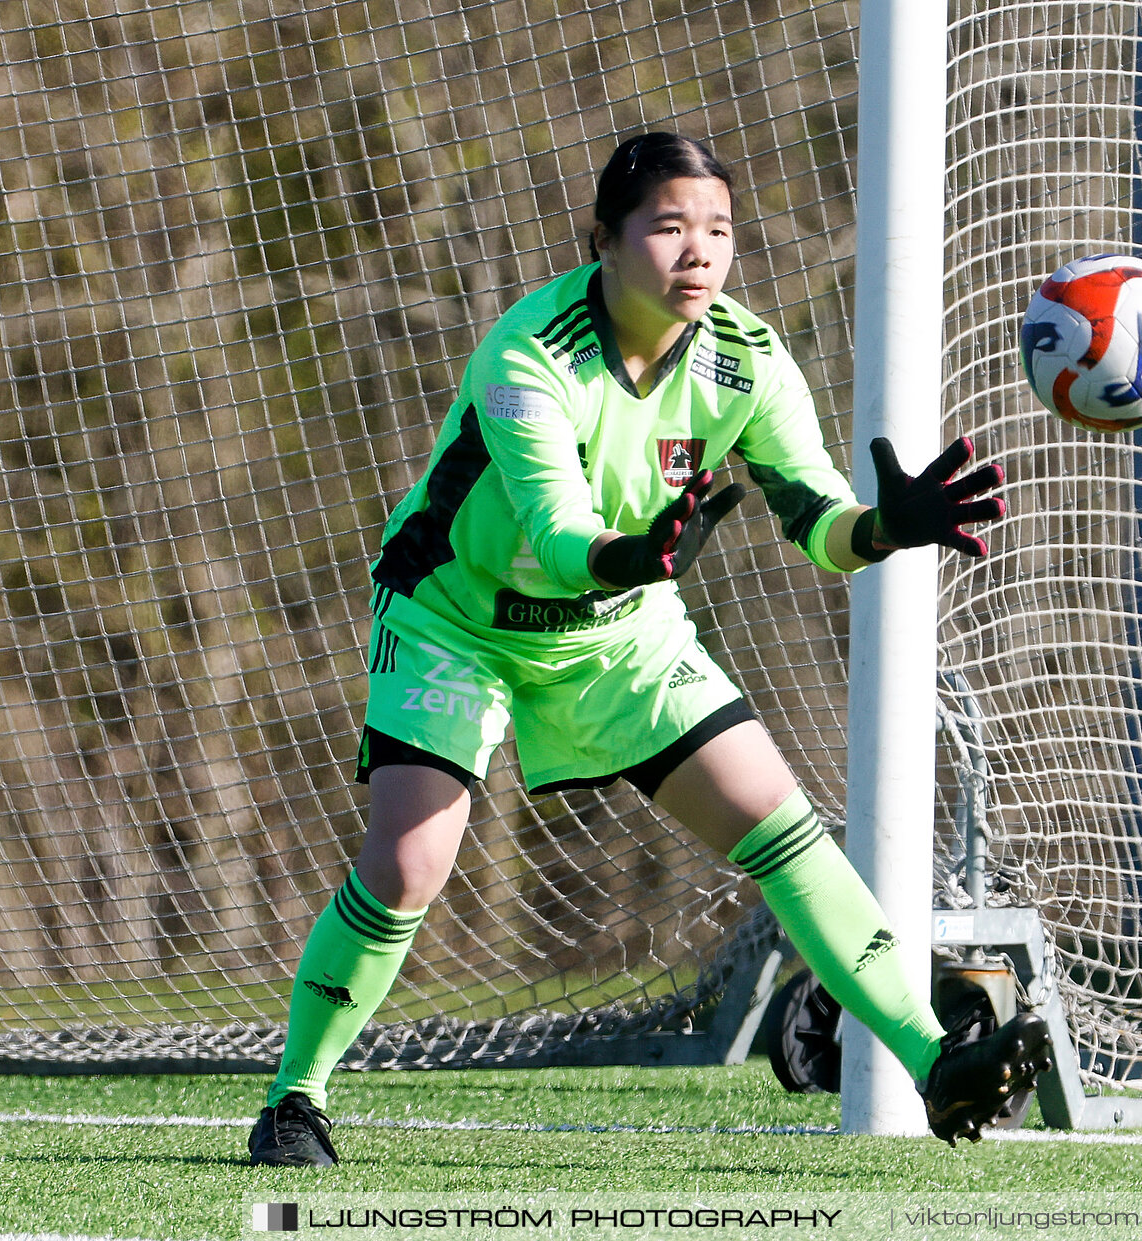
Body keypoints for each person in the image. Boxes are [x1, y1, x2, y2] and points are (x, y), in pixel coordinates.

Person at [247, 132, 1048, 1166]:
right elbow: (560, 535)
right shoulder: (530, 355)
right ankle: (294, 1098)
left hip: (618, 634)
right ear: (605, 241)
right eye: (669, 227)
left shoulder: (745, 360)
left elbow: (818, 522)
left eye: (717, 229)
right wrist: (635, 554)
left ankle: (935, 1062)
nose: (698, 253)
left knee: (777, 816)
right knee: (409, 862)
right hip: (457, 616)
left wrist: (887, 526)